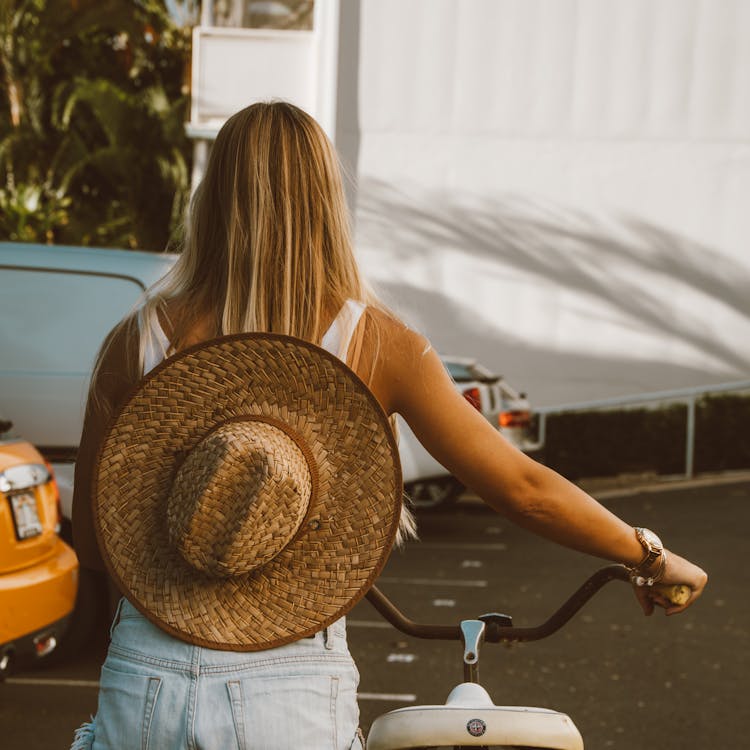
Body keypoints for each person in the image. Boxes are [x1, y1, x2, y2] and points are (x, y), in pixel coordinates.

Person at [71, 101, 707, 750]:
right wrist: (649, 556)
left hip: (144, 672)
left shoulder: (138, 340)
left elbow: (96, 536)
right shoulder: (376, 344)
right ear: (325, 202)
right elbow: (521, 486)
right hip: (283, 688)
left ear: (211, 200)